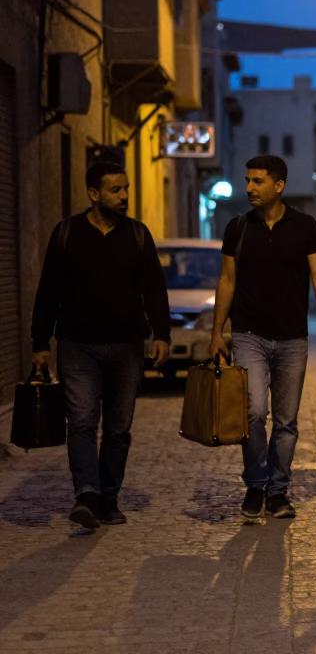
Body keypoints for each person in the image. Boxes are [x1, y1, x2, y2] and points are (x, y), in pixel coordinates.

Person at [30, 161, 171, 529]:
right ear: (93, 194)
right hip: (78, 344)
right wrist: (40, 343)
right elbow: (48, 291)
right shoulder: (66, 234)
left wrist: (162, 334)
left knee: (119, 428)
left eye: (125, 189)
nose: (124, 196)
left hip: (127, 346)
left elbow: (154, 289)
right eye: (115, 190)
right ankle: (87, 495)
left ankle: (109, 497)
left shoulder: (138, 235)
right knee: (80, 421)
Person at [208, 155, 316, 521]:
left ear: (278, 186)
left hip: (293, 338)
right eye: (247, 180)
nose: (249, 188)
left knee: (286, 421)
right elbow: (227, 281)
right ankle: (255, 483)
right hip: (249, 334)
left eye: (258, 182)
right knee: (253, 412)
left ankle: (277, 491)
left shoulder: (305, 226)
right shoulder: (237, 227)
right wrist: (218, 332)